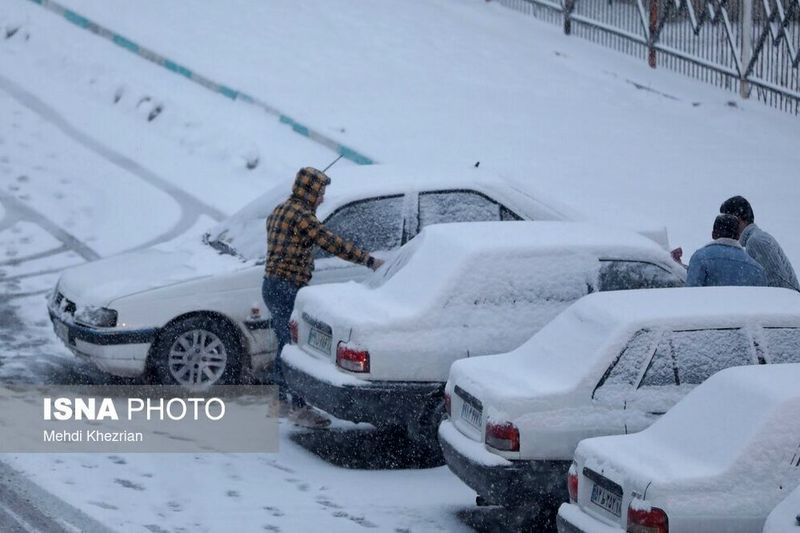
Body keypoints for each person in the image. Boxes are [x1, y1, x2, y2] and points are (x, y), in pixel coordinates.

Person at [263, 167, 384, 428]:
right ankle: (298, 408)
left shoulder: (280, 210)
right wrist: (368, 260)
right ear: (309, 192)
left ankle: (279, 401)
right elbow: (332, 242)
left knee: (284, 343)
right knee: (295, 348)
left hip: (271, 284)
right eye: (320, 193)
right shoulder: (302, 217)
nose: (322, 199)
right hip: (287, 287)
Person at [720, 196, 800, 291]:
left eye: (726, 219)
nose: (724, 224)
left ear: (740, 218)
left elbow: (780, 287)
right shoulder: (753, 240)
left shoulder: (756, 241)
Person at [686, 214, 766, 287]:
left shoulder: (699, 258)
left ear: (713, 234)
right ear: (738, 236)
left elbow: (691, 294)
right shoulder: (757, 269)